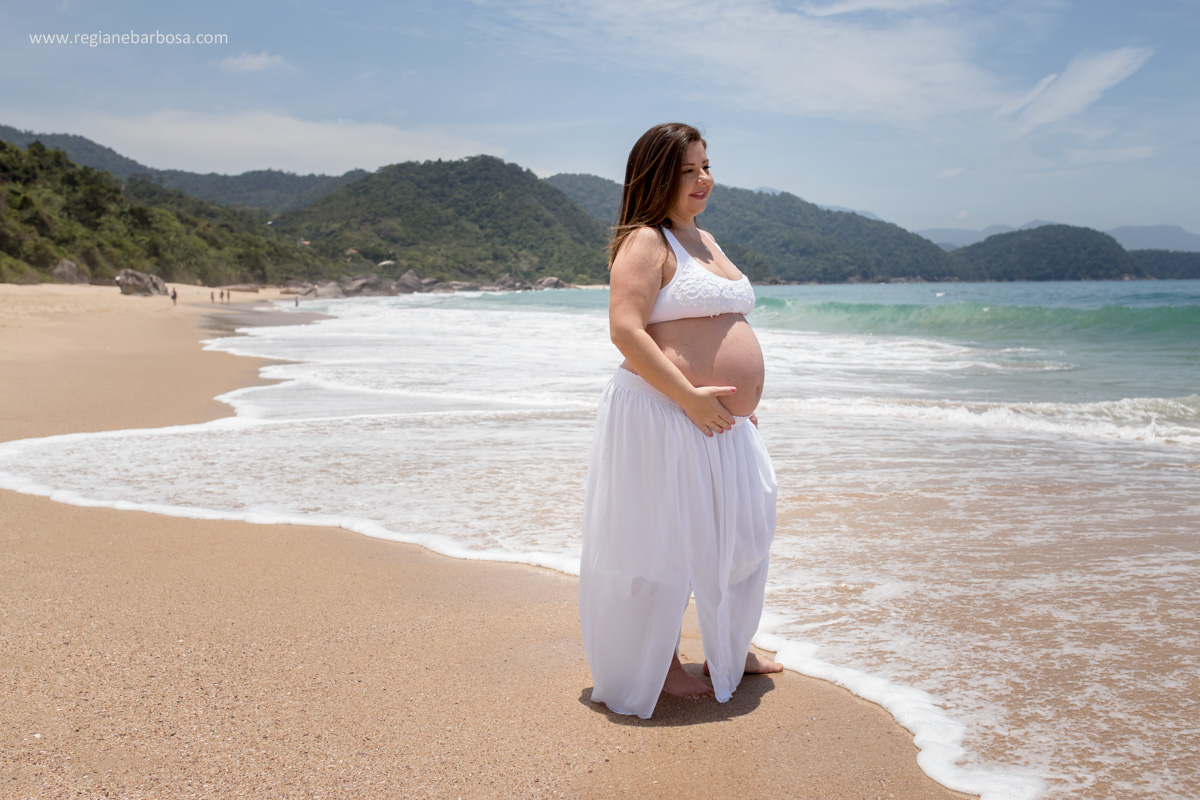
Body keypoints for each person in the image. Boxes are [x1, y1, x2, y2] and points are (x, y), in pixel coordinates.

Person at [579, 123, 782, 719]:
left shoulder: (705, 239)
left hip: (720, 422)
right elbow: (625, 330)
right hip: (663, 413)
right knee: (659, 539)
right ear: (657, 176)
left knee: (741, 532)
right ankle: (659, 659)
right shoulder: (646, 241)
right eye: (688, 170)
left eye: (706, 167)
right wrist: (690, 397)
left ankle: (728, 647)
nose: (703, 180)